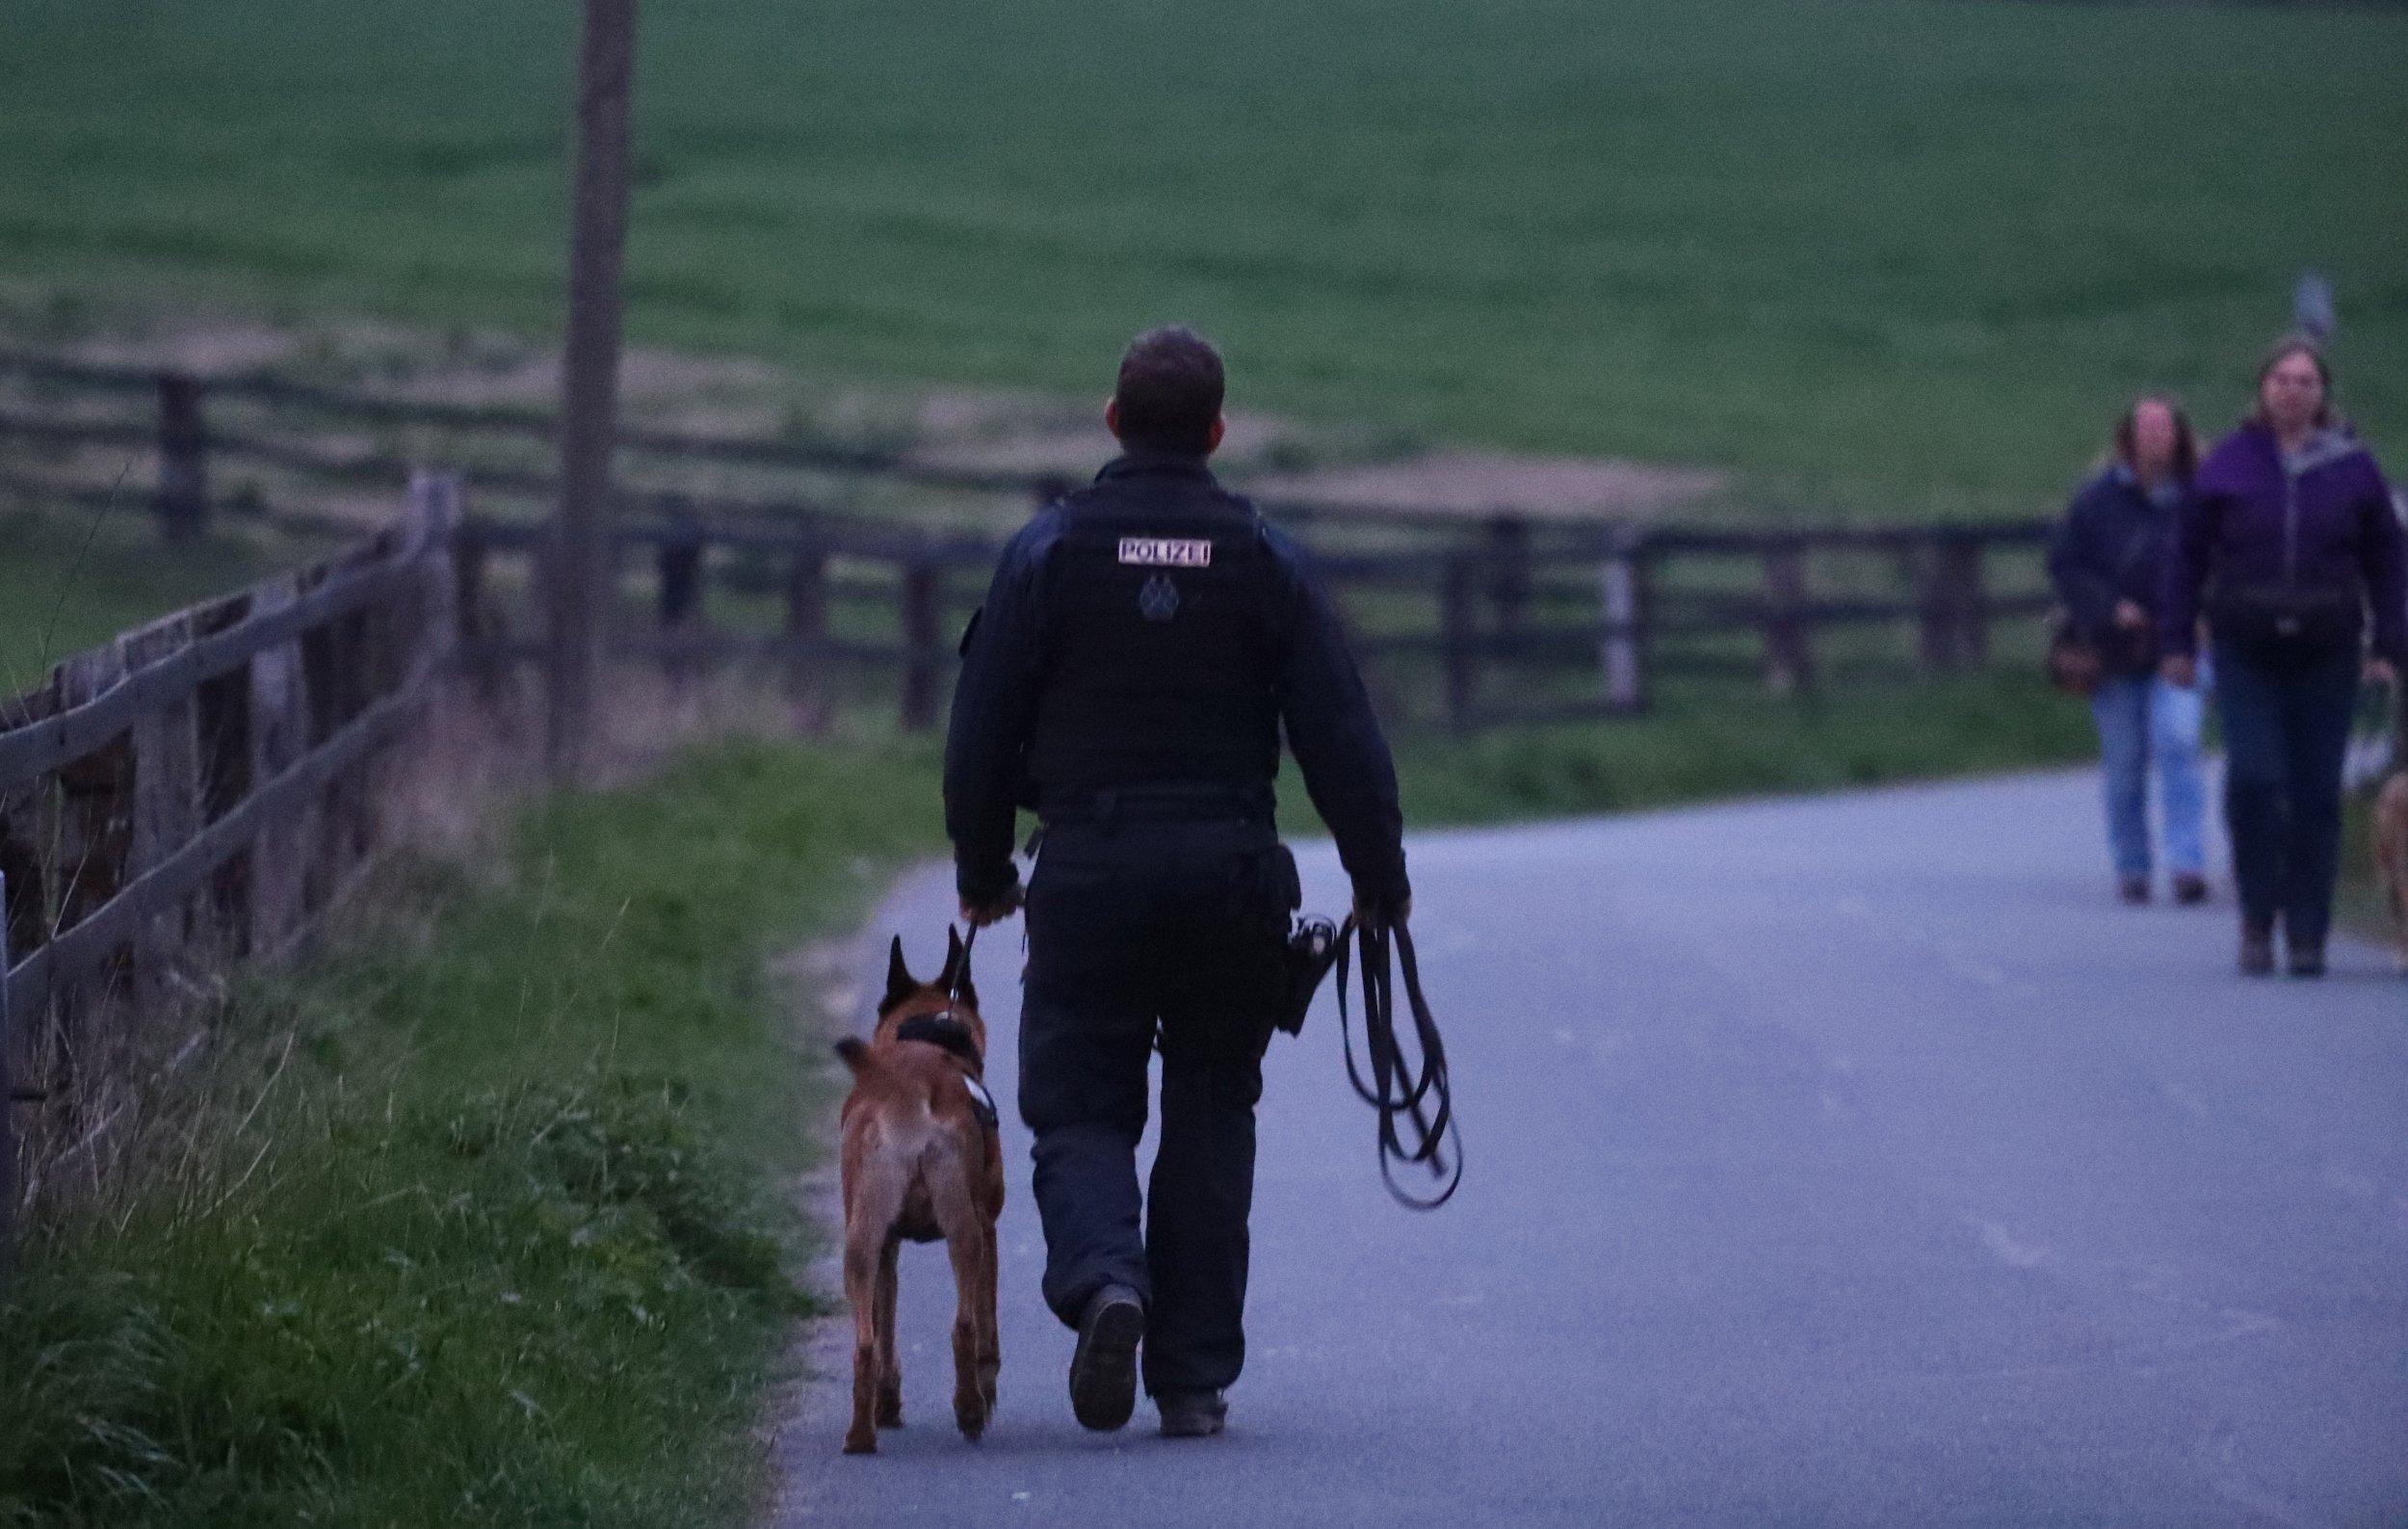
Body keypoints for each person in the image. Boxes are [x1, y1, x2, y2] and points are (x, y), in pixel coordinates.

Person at [943, 326, 1411, 1438]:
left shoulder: (1048, 552)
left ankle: (1110, 1282)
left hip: (1091, 868)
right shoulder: (1266, 557)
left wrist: (982, 869)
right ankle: (1192, 1380)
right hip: (1229, 871)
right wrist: (1377, 878)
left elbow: (978, 731)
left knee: (1079, 1102)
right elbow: (1340, 734)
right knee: (1212, 1106)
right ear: (1214, 432)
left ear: (1112, 420)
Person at [2161, 338, 2407, 976]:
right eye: (2281, 378)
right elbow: (2186, 556)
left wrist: (2389, 642)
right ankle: (2256, 915)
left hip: (2327, 648)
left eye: (2305, 381)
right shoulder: (2229, 465)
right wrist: (2177, 643)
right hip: (2247, 645)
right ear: (2262, 388)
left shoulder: (2351, 467)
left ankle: (2308, 929)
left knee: (2315, 792)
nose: (2292, 390)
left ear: (2322, 394)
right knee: (2256, 779)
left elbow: (2387, 559)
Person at [2047, 397, 2210, 906]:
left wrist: (2204, 610)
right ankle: (2133, 866)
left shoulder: (2200, 500)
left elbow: (2224, 559)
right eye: (2146, 429)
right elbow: (2066, 565)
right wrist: (2108, 607)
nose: (2156, 439)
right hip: (2115, 651)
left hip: (2179, 643)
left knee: (2180, 741)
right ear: (2128, 438)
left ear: (2179, 436)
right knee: (2125, 763)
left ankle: (2187, 863)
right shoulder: (2096, 502)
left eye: (2164, 428)